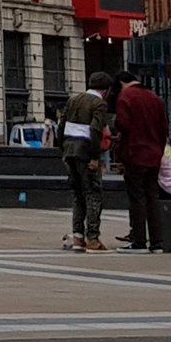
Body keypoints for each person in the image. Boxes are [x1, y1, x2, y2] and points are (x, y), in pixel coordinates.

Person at [110, 70, 169, 252]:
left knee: (137, 199)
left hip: (135, 153)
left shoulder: (126, 97)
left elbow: (123, 124)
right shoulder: (155, 98)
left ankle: (139, 241)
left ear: (121, 83)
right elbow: (164, 129)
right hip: (154, 155)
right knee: (153, 197)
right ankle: (157, 242)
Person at [58, 71, 113, 252]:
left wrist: (63, 148)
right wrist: (95, 158)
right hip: (86, 154)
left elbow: (61, 125)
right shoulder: (99, 103)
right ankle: (93, 238)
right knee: (92, 194)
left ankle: (78, 237)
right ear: (105, 91)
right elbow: (96, 131)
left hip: (69, 152)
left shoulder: (73, 99)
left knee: (77, 195)